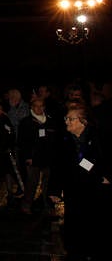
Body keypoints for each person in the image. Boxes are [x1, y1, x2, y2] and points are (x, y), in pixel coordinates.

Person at [49, 101, 111, 260]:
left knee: (95, 222)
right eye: (66, 118)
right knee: (74, 222)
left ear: (82, 121)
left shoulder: (98, 136)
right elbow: (57, 166)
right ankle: (75, 251)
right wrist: (55, 189)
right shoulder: (63, 139)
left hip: (95, 188)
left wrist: (107, 176)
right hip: (73, 189)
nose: (66, 122)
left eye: (71, 119)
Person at [17, 96, 60, 214]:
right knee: (32, 183)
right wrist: (27, 157)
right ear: (31, 107)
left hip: (48, 158)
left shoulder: (50, 121)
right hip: (33, 159)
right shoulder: (26, 122)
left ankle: (47, 205)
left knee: (48, 184)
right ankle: (26, 205)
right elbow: (22, 142)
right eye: (36, 106)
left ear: (44, 107)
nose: (39, 108)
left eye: (41, 106)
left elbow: (55, 140)